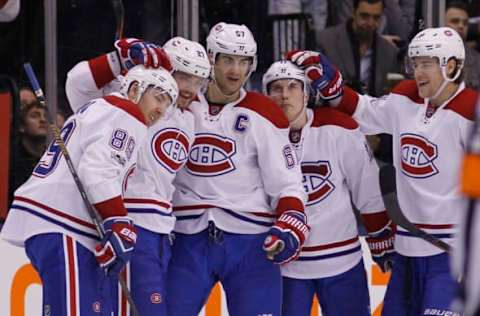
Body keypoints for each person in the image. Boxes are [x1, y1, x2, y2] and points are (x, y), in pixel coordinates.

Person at [286, 26, 477, 315]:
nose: (418, 72)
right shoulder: (405, 98)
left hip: (449, 258)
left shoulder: (471, 113)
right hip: (405, 253)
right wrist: (333, 87)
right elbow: (364, 112)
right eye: (415, 63)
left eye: (427, 64)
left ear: (451, 66)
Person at [0, 64, 178, 316]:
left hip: (61, 225)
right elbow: (98, 170)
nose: (160, 110)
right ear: (136, 89)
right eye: (158, 98)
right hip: (63, 223)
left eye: (167, 104)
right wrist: (118, 221)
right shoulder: (126, 112)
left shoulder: (103, 108)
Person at [167, 22, 307, 316]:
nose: (236, 70)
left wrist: (291, 220)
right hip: (187, 237)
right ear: (210, 59)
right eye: (228, 59)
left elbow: (287, 183)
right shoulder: (180, 103)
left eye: (244, 61)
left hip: (250, 243)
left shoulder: (264, 112)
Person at [65, 36, 210, 314]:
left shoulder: (191, 119)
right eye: (183, 76)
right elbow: (77, 84)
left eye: (198, 80)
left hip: (164, 232)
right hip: (129, 223)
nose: (190, 88)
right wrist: (117, 60)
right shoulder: (131, 103)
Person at [262, 59, 394, 315]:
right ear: (266, 95)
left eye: (293, 86)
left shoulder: (337, 127)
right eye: (276, 88)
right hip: (286, 268)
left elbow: (366, 188)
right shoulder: (257, 132)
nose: (285, 95)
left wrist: (380, 233)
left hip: (341, 262)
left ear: (306, 92)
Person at [316, 0, 399, 97]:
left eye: (376, 18)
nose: (370, 23)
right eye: (364, 16)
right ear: (353, 13)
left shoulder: (389, 51)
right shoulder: (325, 41)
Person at [8, 101, 47, 202]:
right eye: (35, 116)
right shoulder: (11, 160)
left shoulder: (55, 157)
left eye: (45, 116)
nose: (43, 120)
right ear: (22, 126)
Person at [445, 1, 480, 91]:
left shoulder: (477, 59)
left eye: (465, 23)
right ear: (442, 23)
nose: (461, 26)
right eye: (455, 21)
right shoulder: (427, 55)